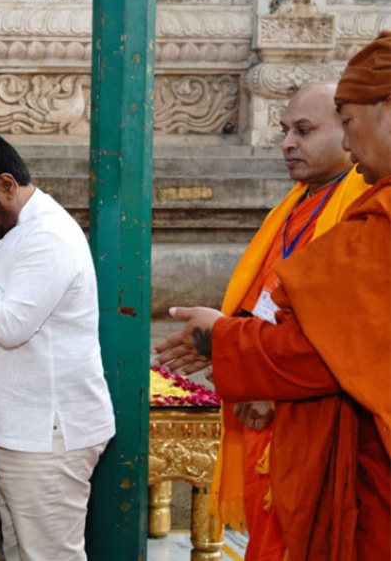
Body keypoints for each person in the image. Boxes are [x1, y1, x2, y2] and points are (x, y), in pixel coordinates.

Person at [153, 30, 390, 561]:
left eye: (346, 123)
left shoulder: (371, 217)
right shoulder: (315, 205)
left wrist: (227, 341)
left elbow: (329, 347)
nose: (351, 146)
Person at [0, 131, 115, 561]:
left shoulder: (47, 236)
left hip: (48, 434)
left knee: (49, 556)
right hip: (25, 430)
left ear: (7, 185)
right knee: (23, 553)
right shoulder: (12, 232)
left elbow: (11, 326)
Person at [209, 82, 369, 561]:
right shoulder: (297, 204)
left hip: (309, 409)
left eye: (303, 130)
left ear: (349, 131)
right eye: (285, 131)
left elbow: (343, 325)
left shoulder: (359, 207)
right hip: (265, 399)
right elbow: (263, 297)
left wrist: (271, 386)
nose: (287, 143)